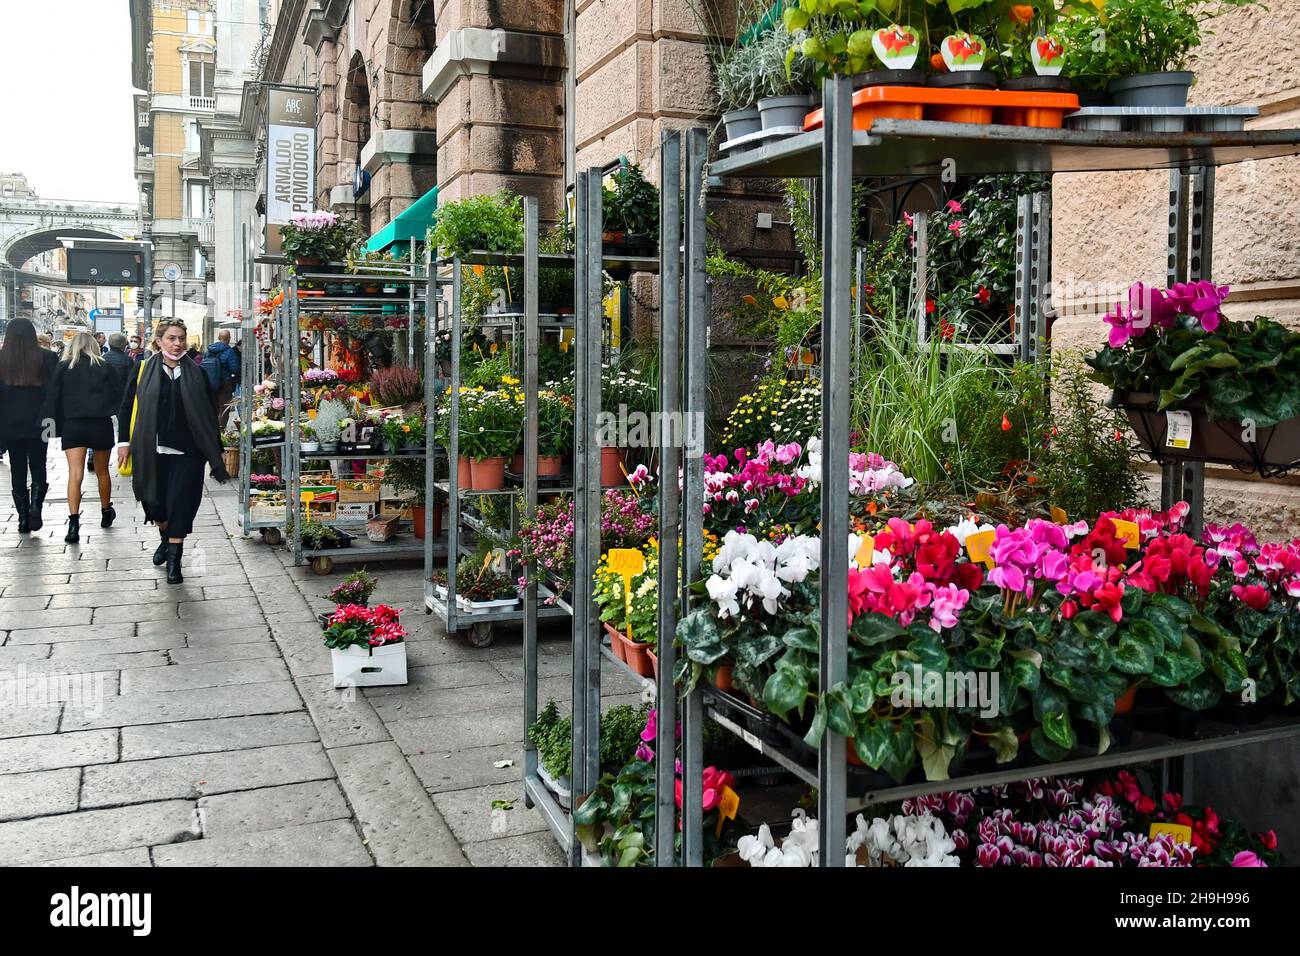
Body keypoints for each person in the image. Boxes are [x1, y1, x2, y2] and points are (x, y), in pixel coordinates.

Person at [117, 319, 230, 584]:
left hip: (188, 452)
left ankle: (174, 563)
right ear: (159, 340)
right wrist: (123, 442)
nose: (178, 344)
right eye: (171, 338)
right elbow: (125, 407)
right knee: (155, 504)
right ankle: (165, 538)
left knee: (180, 503)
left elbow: (208, 413)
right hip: (151, 449)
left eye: (181, 338)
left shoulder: (197, 372)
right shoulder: (143, 369)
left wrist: (217, 448)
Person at [44, 332, 119, 542]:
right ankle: (106, 511)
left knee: (75, 474)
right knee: (103, 472)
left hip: (73, 424)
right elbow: (118, 393)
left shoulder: (64, 367)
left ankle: (74, 523)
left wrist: (51, 427)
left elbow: (53, 398)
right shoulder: (104, 366)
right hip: (100, 424)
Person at [0, 318, 58, 533]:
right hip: (41, 422)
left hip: (9, 423)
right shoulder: (48, 357)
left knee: (17, 468)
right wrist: (51, 420)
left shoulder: (2, 359)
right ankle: (36, 507)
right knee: (39, 464)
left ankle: (23, 518)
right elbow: (53, 392)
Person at [199, 329, 241, 429]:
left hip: (210, 382)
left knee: (212, 406)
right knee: (225, 407)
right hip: (224, 383)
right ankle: (221, 429)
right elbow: (234, 368)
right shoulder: (229, 351)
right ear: (229, 338)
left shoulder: (209, 350)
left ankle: (211, 428)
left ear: (218, 338)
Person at [104, 332, 133, 401]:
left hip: (105, 395)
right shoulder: (127, 360)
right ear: (123, 344)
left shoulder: (102, 358)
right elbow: (131, 381)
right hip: (121, 396)